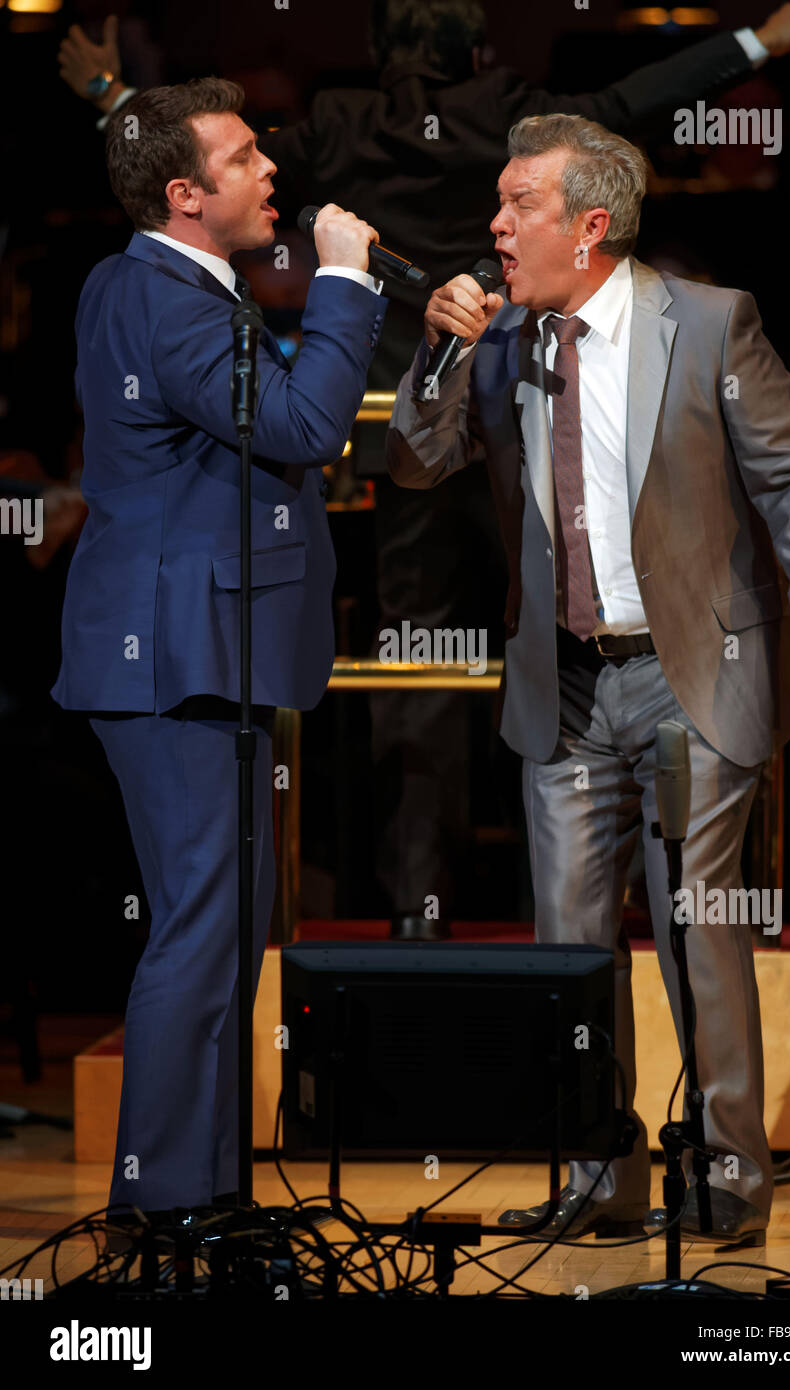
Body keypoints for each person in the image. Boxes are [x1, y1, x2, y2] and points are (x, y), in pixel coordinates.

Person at [58, 1, 790, 940]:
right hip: (489, 404)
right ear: (478, 46)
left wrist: (110, 97)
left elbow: (187, 164)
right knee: (563, 632)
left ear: (380, 49)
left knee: (421, 665)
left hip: (400, 419)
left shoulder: (343, 122)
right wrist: (761, 40)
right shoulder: (507, 108)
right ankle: (548, 912)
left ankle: (421, 907)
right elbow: (637, 97)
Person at [386, 112, 790, 1244]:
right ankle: (599, 1175)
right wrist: (439, 347)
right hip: (566, 685)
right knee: (569, 943)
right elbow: (412, 459)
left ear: (588, 225)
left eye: (518, 206)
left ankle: (727, 1169)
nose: (494, 228)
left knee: (699, 925)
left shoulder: (705, 325)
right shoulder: (500, 341)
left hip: (691, 670)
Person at [50, 76, 385, 1221]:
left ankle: (202, 1196)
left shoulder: (145, 281)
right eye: (244, 159)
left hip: (190, 650)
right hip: (174, 659)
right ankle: (166, 1209)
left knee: (219, 928)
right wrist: (342, 279)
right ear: (187, 195)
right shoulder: (171, 300)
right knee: (200, 930)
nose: (271, 171)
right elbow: (299, 424)